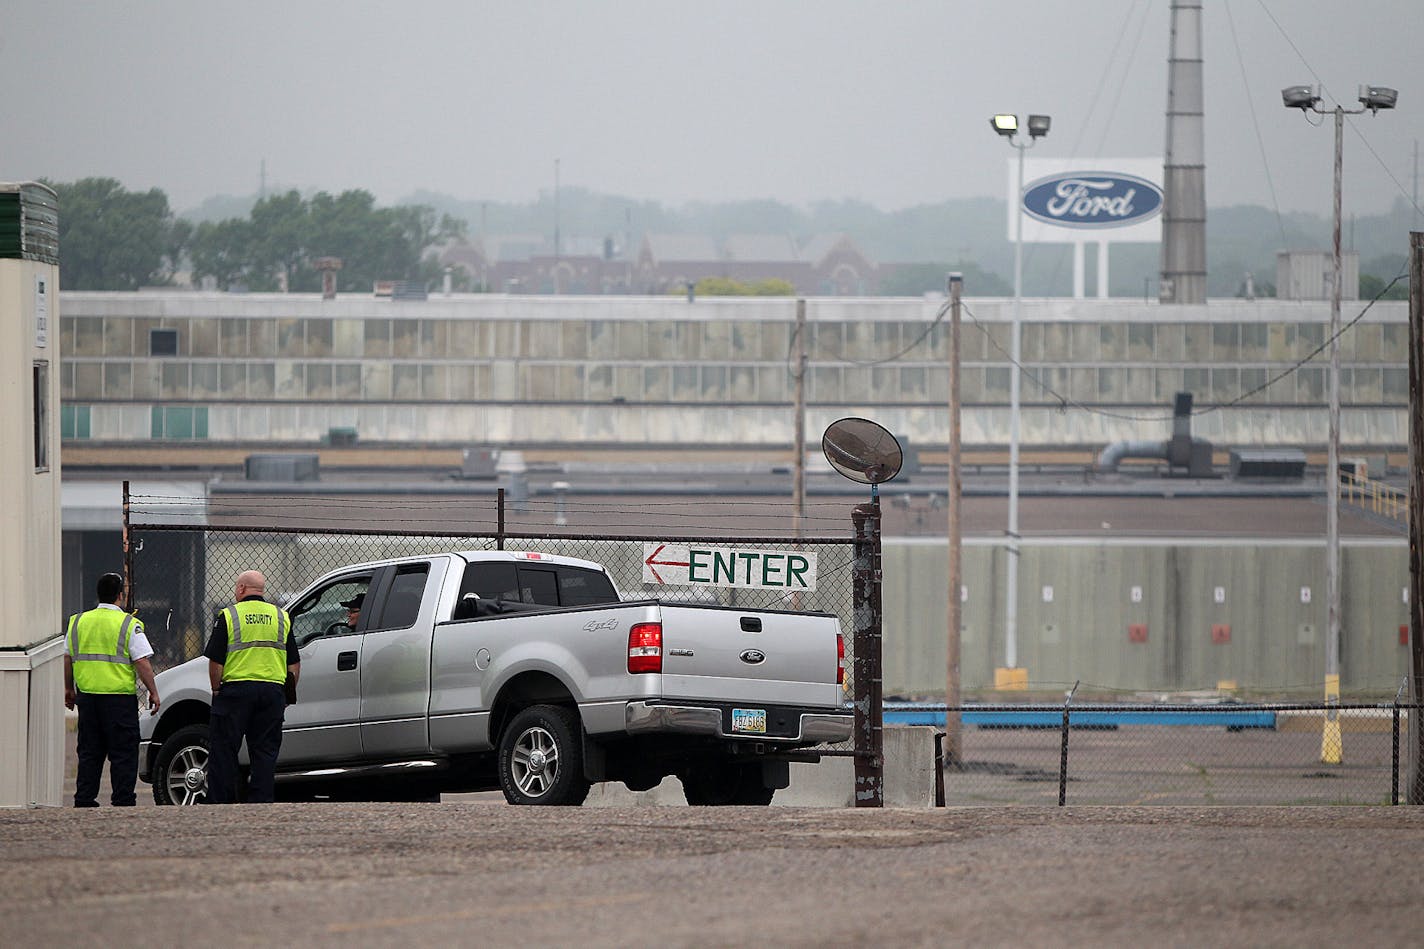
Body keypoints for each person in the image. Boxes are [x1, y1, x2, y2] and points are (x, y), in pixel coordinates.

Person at [64, 572, 160, 807]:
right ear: (120, 595)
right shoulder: (128, 624)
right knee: (123, 753)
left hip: (87, 698)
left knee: (89, 752)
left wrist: (69, 689)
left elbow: (67, 658)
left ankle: (84, 800)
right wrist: (154, 691)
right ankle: (123, 801)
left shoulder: (78, 621)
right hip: (118, 700)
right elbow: (142, 662)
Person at [204, 569, 299, 804]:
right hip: (271, 692)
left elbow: (216, 662)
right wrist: (286, 694)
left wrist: (217, 689)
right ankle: (261, 802)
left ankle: (220, 802)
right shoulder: (281, 617)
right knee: (265, 753)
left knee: (224, 750)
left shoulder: (229, 616)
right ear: (261, 590)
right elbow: (294, 664)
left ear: (241, 589)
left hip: (236, 692)